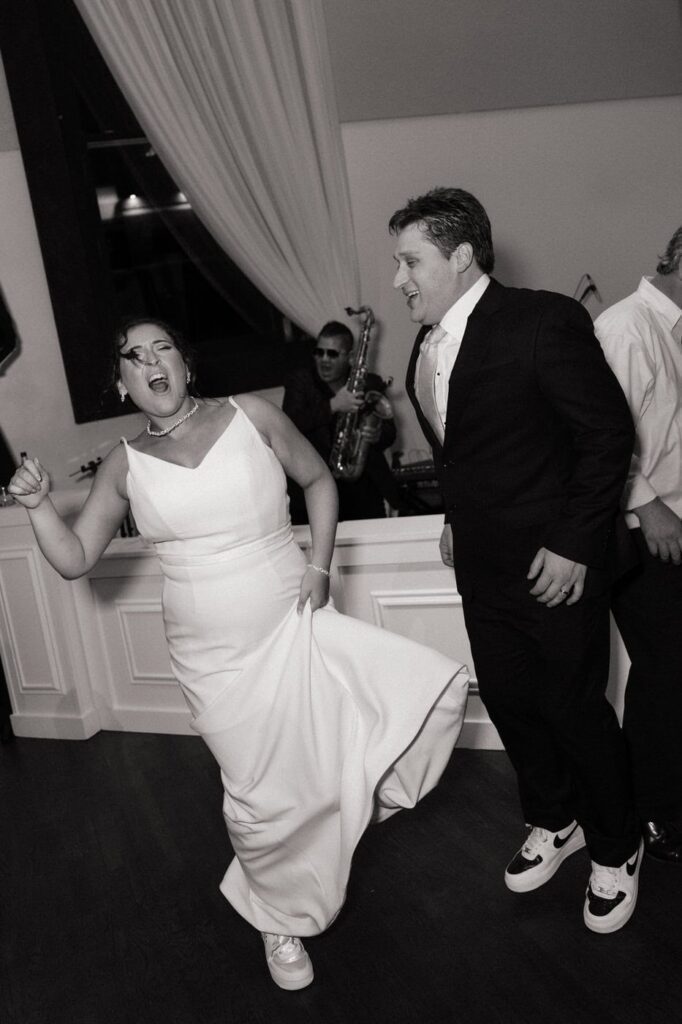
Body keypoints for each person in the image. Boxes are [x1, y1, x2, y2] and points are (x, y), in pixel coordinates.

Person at [7, 317, 469, 991]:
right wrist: (41, 506)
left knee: (416, 696)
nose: (150, 361)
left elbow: (317, 481)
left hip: (293, 618)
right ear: (123, 382)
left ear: (185, 364)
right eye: (133, 357)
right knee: (255, 794)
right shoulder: (123, 466)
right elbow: (75, 559)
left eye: (161, 346)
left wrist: (319, 568)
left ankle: (346, 805)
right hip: (210, 658)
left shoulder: (252, 416)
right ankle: (277, 919)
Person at [389, 187, 641, 934]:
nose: (399, 277)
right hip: (484, 567)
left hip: (557, 566)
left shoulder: (542, 320)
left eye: (412, 260)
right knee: (510, 701)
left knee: (572, 708)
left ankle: (617, 845)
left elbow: (606, 437)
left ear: (462, 255)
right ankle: (554, 820)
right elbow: (465, 447)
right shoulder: (426, 340)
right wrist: (455, 518)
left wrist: (571, 544)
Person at [594, 227, 682, 863]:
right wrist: (649, 507)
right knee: (665, 674)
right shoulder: (627, 326)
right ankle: (654, 813)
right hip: (643, 532)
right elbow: (599, 436)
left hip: (673, 525)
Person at [283, 321, 403, 521]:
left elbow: (390, 433)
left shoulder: (370, 382)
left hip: (363, 485)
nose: (323, 360)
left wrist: (376, 434)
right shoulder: (300, 381)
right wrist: (332, 405)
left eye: (332, 354)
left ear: (350, 357)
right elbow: (288, 425)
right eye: (319, 352)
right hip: (315, 488)